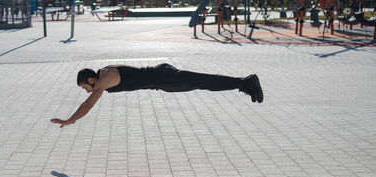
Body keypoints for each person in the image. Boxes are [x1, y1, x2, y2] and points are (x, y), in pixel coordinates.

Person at [51, 63, 263, 128]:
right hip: (162, 82)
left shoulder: (104, 79)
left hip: (163, 77)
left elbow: (87, 105)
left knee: (203, 81)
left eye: (84, 87)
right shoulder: (105, 73)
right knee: (202, 83)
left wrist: (71, 119)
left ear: (90, 80)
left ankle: (246, 82)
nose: (87, 91)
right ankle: (245, 84)